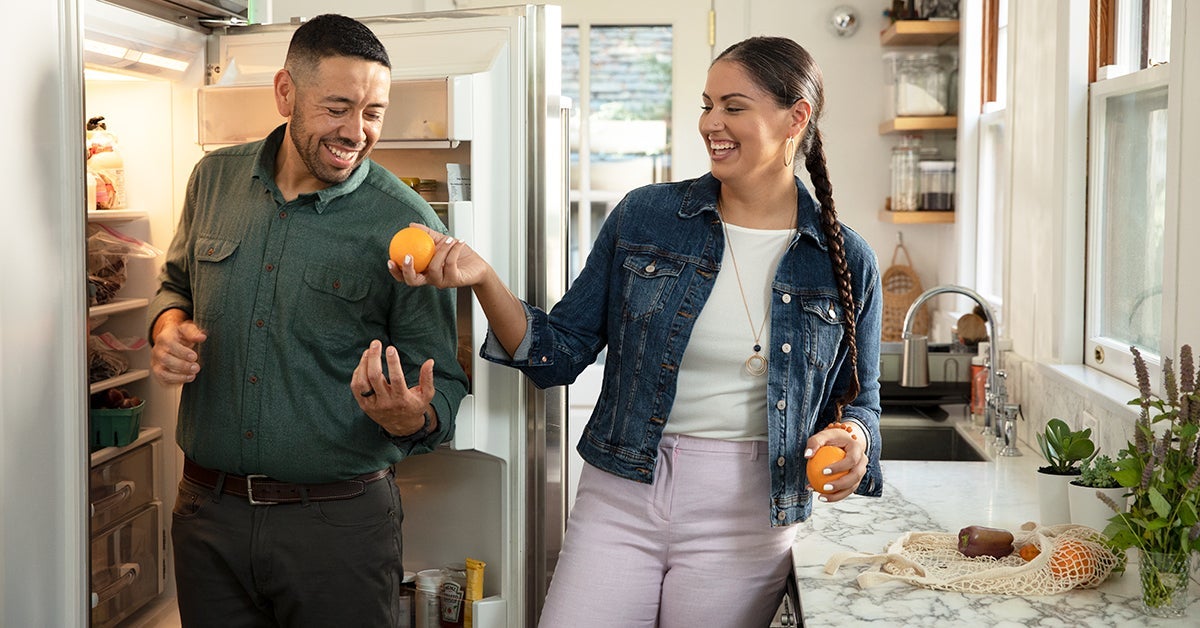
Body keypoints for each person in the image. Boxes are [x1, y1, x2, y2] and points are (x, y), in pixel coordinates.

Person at [396, 36, 882, 627]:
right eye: (707, 105)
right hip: (621, 490)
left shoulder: (844, 260)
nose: (711, 123)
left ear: (795, 118)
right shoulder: (646, 217)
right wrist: (483, 278)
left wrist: (853, 437)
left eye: (733, 107)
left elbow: (861, 403)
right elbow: (558, 353)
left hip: (748, 513)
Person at [148, 14, 468, 627]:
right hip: (207, 517)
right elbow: (175, 284)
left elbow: (445, 383)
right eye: (338, 108)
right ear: (285, 93)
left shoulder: (405, 222)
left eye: (373, 113)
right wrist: (167, 329)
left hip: (338, 529)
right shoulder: (213, 178)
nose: (356, 131)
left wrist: (413, 416)